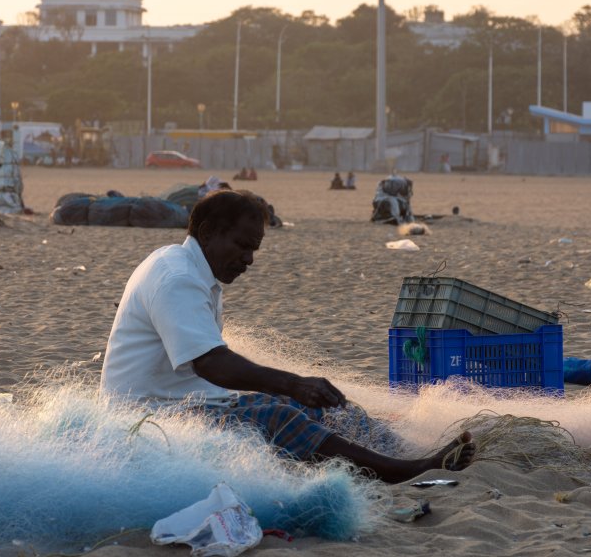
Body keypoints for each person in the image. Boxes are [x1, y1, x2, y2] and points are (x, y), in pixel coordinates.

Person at [99, 190, 475, 483]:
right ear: (208, 233)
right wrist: (292, 383)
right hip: (147, 416)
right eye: (243, 246)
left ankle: (401, 452)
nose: (248, 260)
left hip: (184, 400)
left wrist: (293, 388)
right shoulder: (177, 278)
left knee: (317, 405)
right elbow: (212, 362)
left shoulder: (193, 269)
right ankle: (402, 471)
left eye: (254, 250)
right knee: (280, 413)